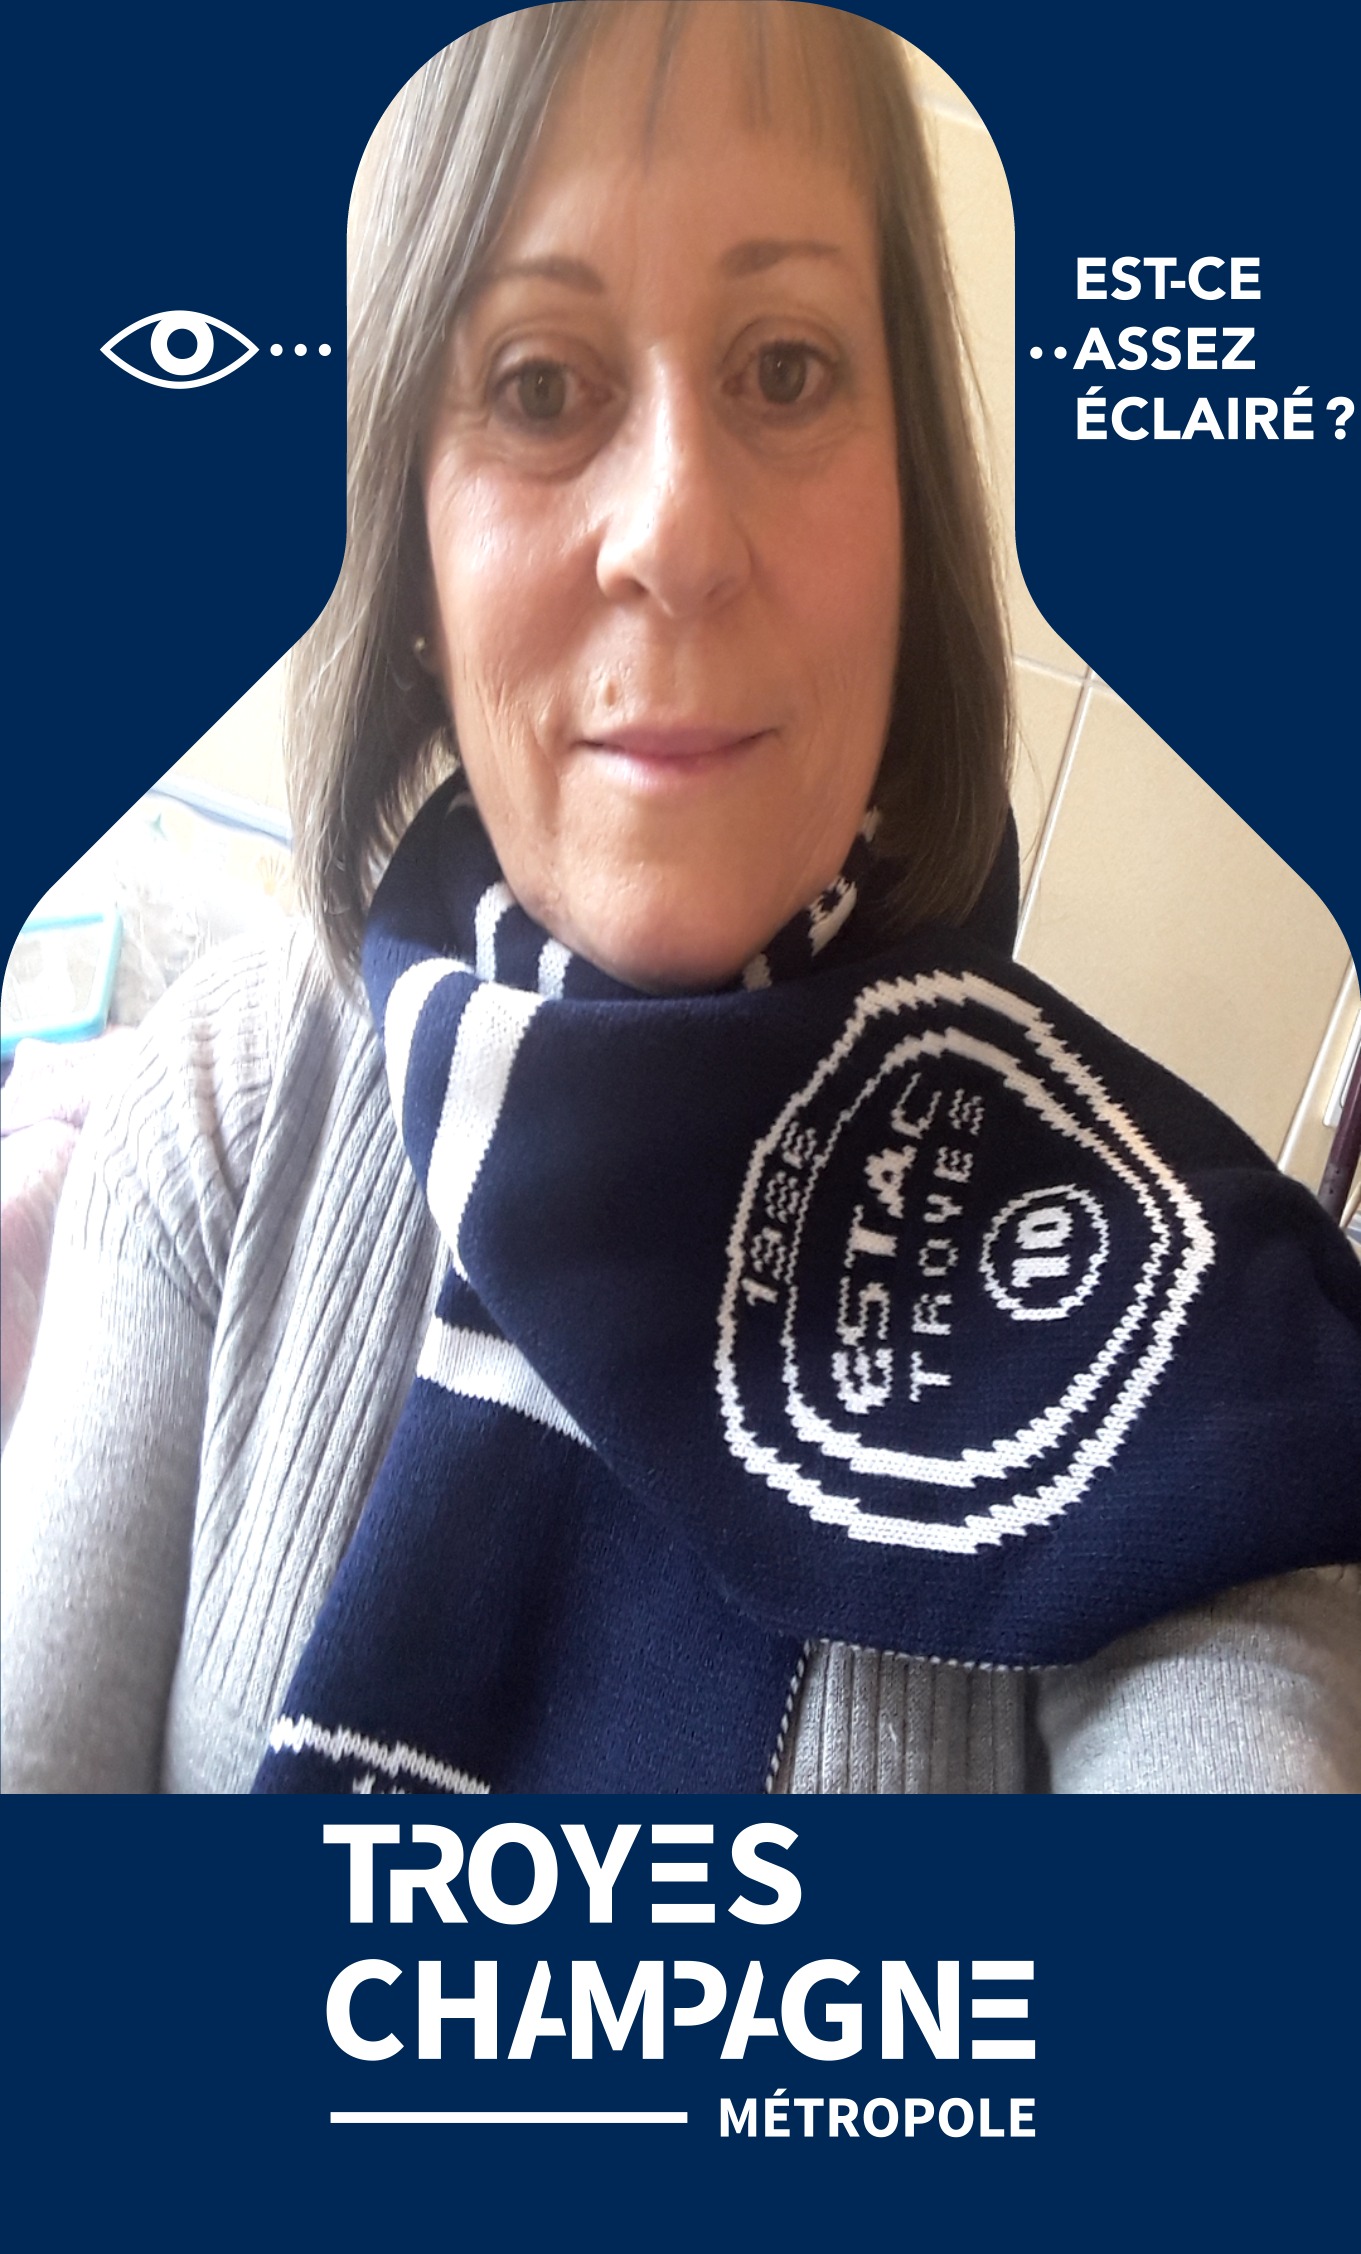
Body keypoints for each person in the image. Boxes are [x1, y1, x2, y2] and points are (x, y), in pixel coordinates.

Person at [3, 1, 1358, 1795]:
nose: (677, 533)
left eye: (783, 368)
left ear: (911, 506)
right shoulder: (224, 1109)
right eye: (537, 386)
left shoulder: (1198, 1351)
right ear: (405, 545)